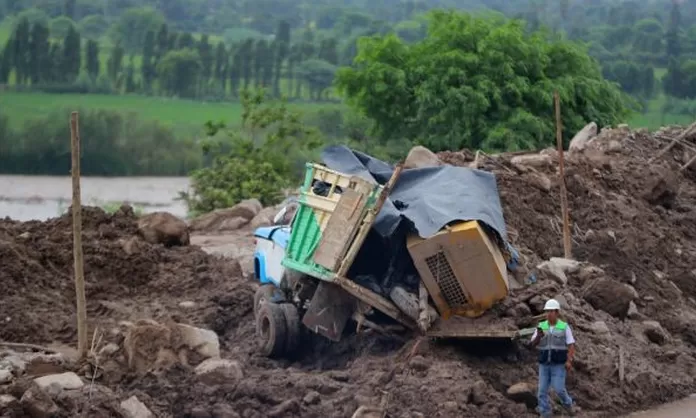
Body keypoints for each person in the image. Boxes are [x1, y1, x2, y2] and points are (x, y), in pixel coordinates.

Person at [530, 298, 577, 417]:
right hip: (544, 364)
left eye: (551, 311)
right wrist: (538, 337)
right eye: (547, 311)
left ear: (557, 312)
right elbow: (532, 344)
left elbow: (571, 345)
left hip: (558, 364)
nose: (548, 314)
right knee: (541, 391)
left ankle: (568, 404)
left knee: (559, 389)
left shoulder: (564, 326)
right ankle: (545, 413)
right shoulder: (541, 326)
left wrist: (569, 361)